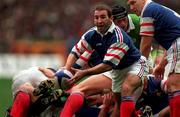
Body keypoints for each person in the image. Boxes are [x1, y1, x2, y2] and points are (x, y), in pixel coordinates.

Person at [59, 3, 148, 117]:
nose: (99, 21)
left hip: (134, 66)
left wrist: (84, 73)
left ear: (111, 19)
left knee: (125, 92)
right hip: (116, 70)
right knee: (78, 89)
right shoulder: (91, 34)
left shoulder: (118, 37)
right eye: (96, 18)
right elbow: (76, 51)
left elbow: (107, 65)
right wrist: (66, 69)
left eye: (103, 17)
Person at [127, 0, 180, 117]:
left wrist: (140, 71)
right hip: (175, 46)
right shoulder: (155, 9)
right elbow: (172, 43)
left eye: (133, 2)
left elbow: (145, 45)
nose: (131, 7)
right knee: (172, 85)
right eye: (129, 4)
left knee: (175, 85)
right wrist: (161, 65)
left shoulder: (148, 11)